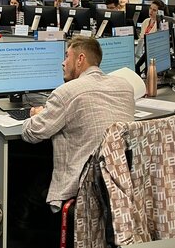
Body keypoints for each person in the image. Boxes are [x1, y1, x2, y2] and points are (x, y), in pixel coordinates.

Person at [21, 36, 135, 210]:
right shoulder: (125, 86)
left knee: (25, 181)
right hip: (122, 180)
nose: (63, 62)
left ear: (80, 59)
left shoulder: (66, 92)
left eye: (67, 56)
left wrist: (36, 114)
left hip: (84, 184)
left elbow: (32, 133)